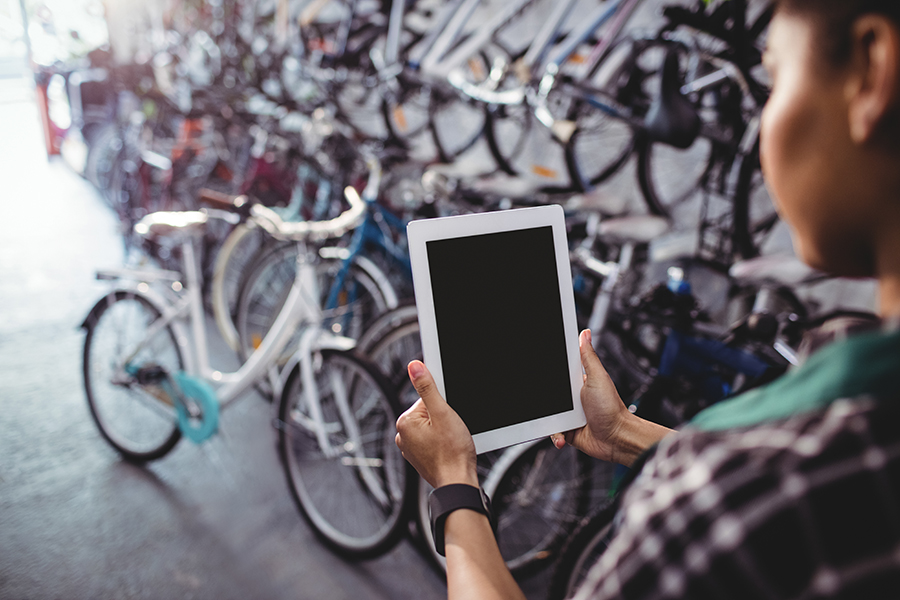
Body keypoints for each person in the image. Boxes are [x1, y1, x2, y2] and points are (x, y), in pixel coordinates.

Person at [395, 0, 900, 597]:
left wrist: (454, 481)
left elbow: (738, 483)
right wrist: (622, 432)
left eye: (774, 80)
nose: (763, 128)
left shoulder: (742, 491)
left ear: (871, 73)